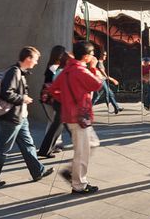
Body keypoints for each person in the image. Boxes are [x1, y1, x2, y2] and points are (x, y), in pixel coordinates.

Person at [0, 46, 52, 187]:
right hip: (12, 118)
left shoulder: (20, 72)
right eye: (36, 59)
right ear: (28, 59)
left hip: (20, 116)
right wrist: (23, 98)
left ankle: (38, 171)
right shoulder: (14, 72)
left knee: (28, 145)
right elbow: (6, 93)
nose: (36, 63)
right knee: (3, 147)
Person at [51, 40, 104, 194]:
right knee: (82, 152)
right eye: (92, 54)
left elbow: (53, 89)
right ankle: (79, 184)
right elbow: (97, 85)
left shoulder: (67, 69)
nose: (93, 56)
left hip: (73, 116)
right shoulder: (81, 70)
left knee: (92, 144)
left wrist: (66, 101)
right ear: (86, 56)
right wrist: (93, 68)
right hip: (79, 117)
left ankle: (73, 173)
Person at [39, 50, 72, 157]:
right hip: (56, 101)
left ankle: (48, 148)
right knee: (56, 124)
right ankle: (50, 147)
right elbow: (56, 87)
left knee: (56, 125)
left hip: (56, 101)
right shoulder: (58, 70)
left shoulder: (58, 69)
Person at [92, 50, 121, 114]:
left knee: (109, 93)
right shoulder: (99, 63)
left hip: (102, 81)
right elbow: (103, 73)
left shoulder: (101, 62)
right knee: (97, 96)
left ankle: (116, 108)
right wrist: (112, 79)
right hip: (100, 81)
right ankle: (87, 109)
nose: (105, 56)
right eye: (104, 55)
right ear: (100, 55)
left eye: (106, 55)